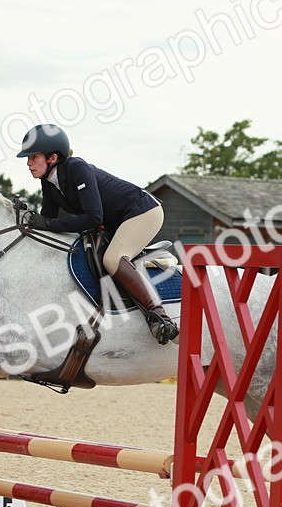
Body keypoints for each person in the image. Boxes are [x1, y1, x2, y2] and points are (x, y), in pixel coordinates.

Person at [16, 124, 179, 344]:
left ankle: (160, 318)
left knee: (112, 259)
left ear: (52, 157)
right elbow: (49, 222)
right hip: (116, 221)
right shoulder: (48, 182)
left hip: (143, 212)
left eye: (32, 157)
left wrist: (46, 223)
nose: (27, 163)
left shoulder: (76, 168)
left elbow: (94, 217)